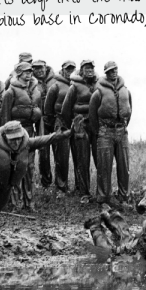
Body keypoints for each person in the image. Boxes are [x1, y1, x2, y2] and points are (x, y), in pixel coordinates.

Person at [0, 115, 81, 225]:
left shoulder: (28, 144)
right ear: (5, 137)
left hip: (6, 185)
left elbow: (50, 138)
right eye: (12, 139)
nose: (16, 142)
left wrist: (70, 132)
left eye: (18, 138)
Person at [89, 61, 133, 208]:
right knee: (104, 166)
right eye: (110, 71)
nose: (113, 72)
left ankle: (124, 197)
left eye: (115, 70)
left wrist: (123, 126)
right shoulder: (99, 91)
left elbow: (130, 110)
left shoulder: (125, 90)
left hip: (122, 132)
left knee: (124, 165)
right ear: (106, 73)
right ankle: (103, 198)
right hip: (105, 132)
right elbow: (92, 114)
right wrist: (100, 131)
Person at [1, 61, 44, 211]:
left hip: (29, 132)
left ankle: (29, 201)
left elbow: (39, 114)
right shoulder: (10, 92)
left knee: (30, 167)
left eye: (30, 71)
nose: (29, 73)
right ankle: (14, 202)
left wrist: (41, 135)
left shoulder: (36, 90)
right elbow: (5, 117)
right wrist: (5, 138)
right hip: (14, 136)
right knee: (15, 167)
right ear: (18, 73)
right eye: (25, 71)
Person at [60, 59, 97, 202]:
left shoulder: (97, 84)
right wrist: (75, 123)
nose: (89, 70)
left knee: (98, 159)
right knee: (82, 159)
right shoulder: (74, 86)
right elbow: (65, 110)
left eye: (91, 68)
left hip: (95, 125)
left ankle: (101, 193)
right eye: (86, 68)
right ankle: (84, 192)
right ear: (81, 70)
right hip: (80, 125)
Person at [43, 60, 77, 196]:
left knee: (77, 156)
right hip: (61, 123)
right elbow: (47, 108)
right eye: (67, 69)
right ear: (62, 70)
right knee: (61, 157)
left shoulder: (77, 84)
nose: (69, 72)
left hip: (75, 123)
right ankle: (61, 187)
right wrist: (55, 123)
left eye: (72, 69)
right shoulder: (55, 86)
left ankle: (79, 188)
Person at [31, 59, 56, 189]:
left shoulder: (55, 79)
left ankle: (61, 184)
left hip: (56, 119)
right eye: (35, 68)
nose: (39, 70)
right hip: (41, 120)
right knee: (43, 151)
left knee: (59, 151)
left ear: (46, 67)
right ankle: (46, 182)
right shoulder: (32, 82)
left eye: (41, 68)